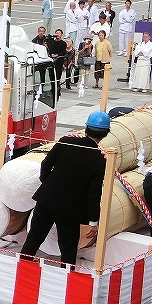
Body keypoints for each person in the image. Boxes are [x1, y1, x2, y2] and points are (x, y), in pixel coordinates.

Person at [21, 111, 110, 264]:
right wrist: (93, 222)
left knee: (34, 237)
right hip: (71, 207)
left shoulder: (66, 141)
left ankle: (21, 268)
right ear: (106, 133)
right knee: (68, 247)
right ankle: (67, 276)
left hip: (47, 198)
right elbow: (94, 193)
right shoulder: (98, 159)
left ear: (86, 128)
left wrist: (48, 183)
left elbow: (45, 165)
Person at [48, 29, 69, 98]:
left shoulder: (63, 43)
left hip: (59, 62)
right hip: (52, 61)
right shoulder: (52, 42)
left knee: (57, 76)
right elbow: (49, 49)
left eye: (59, 33)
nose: (57, 34)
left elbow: (63, 52)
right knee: (51, 76)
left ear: (61, 35)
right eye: (56, 33)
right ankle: (52, 89)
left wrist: (57, 55)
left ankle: (57, 89)